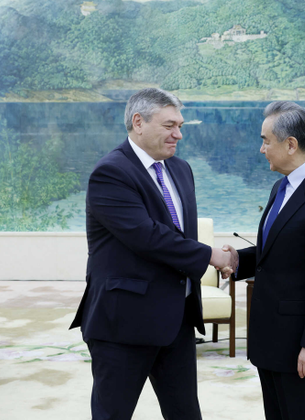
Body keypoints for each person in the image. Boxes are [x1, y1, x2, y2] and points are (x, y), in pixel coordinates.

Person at [70, 88, 235, 420]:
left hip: (177, 321)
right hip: (123, 323)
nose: (179, 134)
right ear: (138, 122)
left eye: (180, 124)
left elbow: (176, 235)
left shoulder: (180, 170)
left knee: (186, 413)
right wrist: (210, 255)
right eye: (170, 125)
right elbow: (148, 236)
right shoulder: (111, 173)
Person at [224, 101, 305, 420]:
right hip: (271, 342)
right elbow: (276, 252)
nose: (261, 149)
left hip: (302, 348)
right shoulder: (280, 188)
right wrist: (235, 261)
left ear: (291, 144)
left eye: (265, 140)